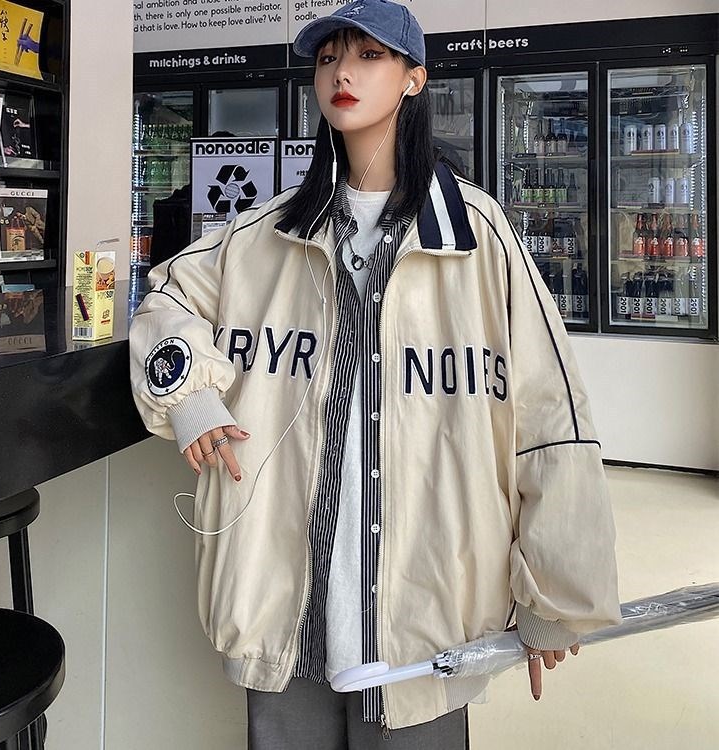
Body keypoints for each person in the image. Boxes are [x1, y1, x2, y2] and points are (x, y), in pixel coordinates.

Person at [129, 1, 621, 747]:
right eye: (329, 58)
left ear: (414, 79)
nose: (342, 73)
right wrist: (190, 396)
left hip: (429, 620)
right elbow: (165, 298)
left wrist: (558, 593)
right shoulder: (264, 235)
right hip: (284, 612)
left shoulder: (480, 239)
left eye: (368, 56)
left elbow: (551, 416)